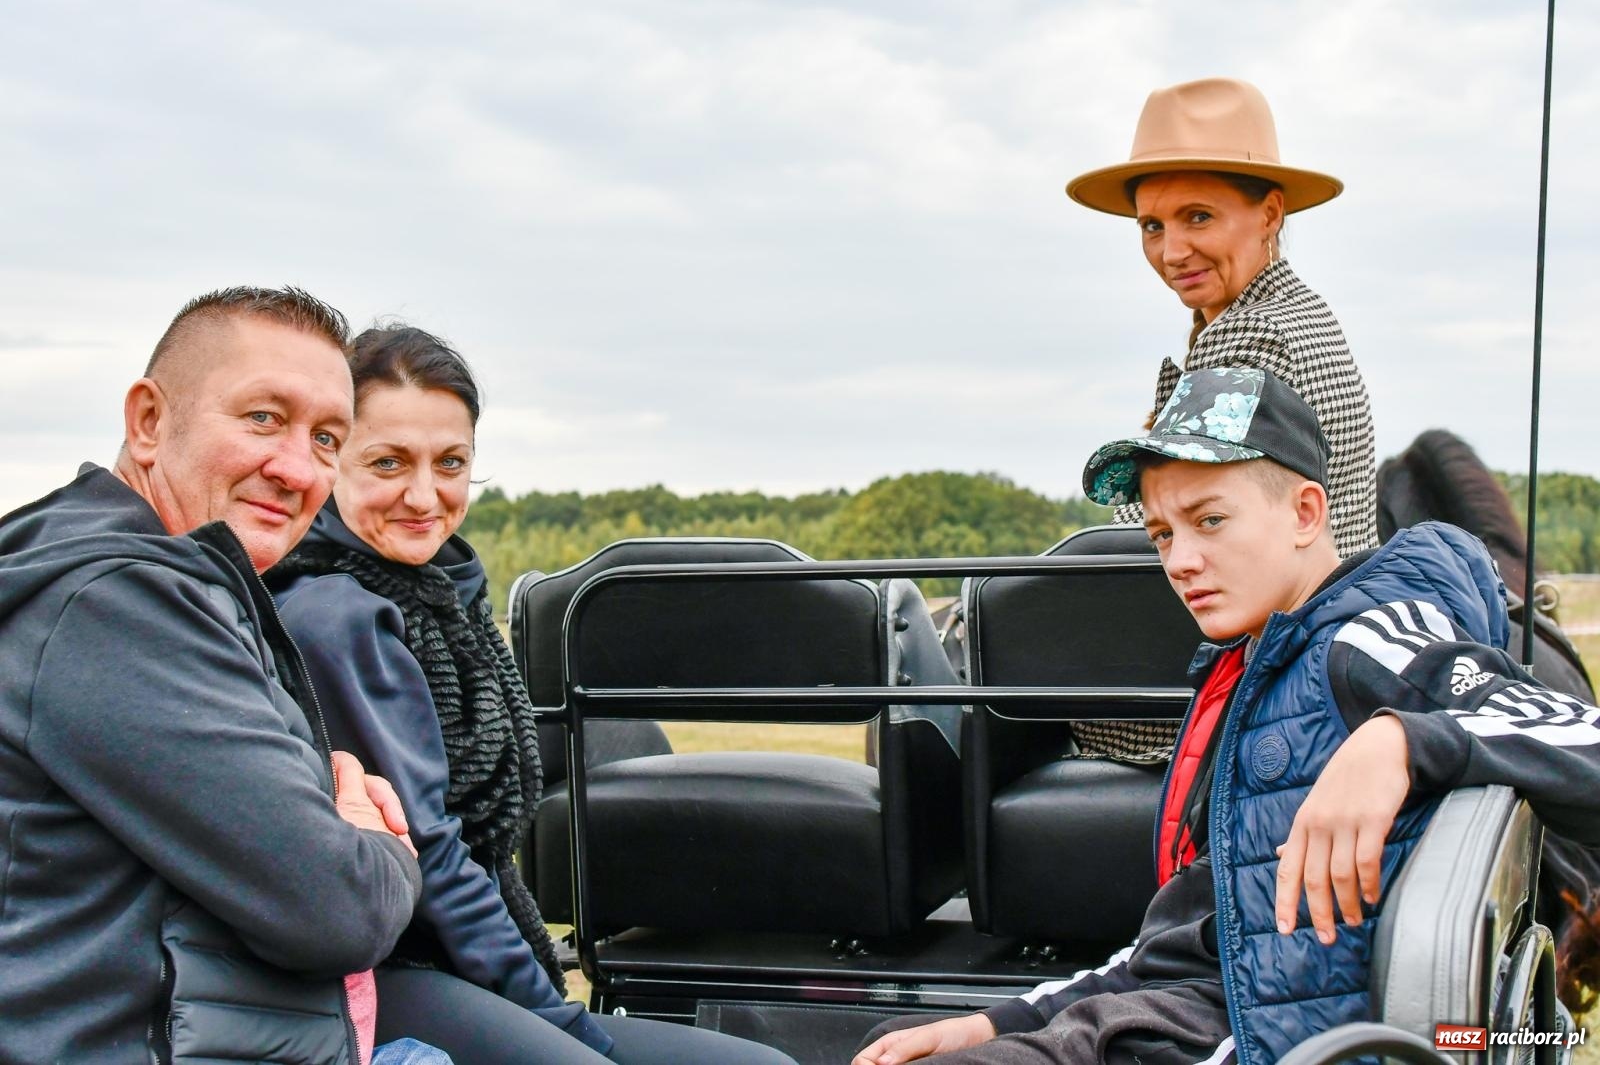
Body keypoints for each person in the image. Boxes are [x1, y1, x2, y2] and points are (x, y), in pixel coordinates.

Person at [852, 367, 1600, 1065]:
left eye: (1209, 520)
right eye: (1163, 534)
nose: (1178, 560)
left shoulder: (1367, 639)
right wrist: (997, 1021)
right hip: (1199, 1014)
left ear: (1306, 512)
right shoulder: (1258, 677)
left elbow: (1583, 740)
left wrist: (1402, 738)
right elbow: (1192, 939)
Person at [268, 325, 798, 1065]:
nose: (424, 495)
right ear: (329, 459)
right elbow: (433, 858)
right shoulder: (336, 615)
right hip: (382, 971)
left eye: (450, 463)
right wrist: (564, 1020)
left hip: (462, 959)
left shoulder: (439, 595)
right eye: (388, 462)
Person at [0, 287, 435, 1064]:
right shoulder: (116, 605)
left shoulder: (176, 586)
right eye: (263, 418)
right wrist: (381, 839)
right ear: (148, 422)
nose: (297, 468)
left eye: (329, 438)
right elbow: (339, 908)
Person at [1064, 75, 1377, 762]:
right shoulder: (1292, 311)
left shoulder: (1250, 336)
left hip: (1268, 671)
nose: (1172, 252)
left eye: (1197, 217)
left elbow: (1165, 521)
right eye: (1153, 225)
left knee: (1007, 695)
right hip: (1321, 638)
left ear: (1270, 214)